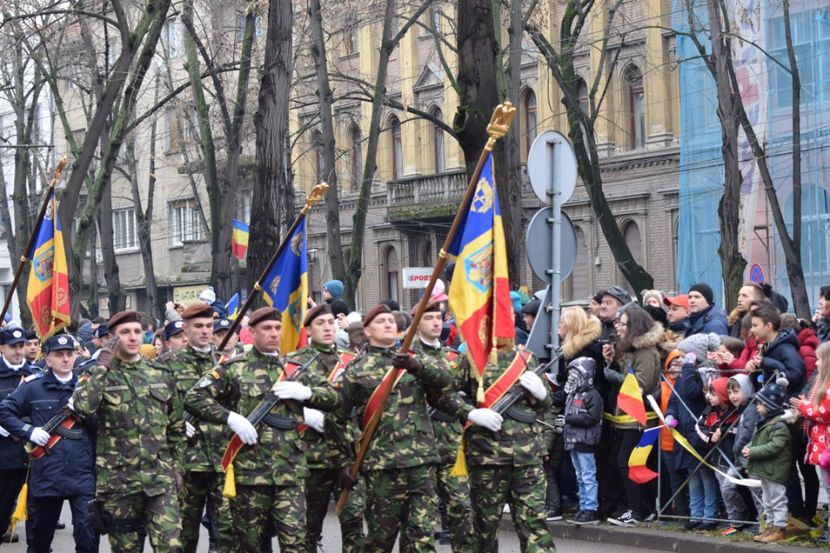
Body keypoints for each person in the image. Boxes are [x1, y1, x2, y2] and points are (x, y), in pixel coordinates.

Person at [185, 306, 340, 553]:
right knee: (248, 545)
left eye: (277, 328)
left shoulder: (295, 368)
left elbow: (334, 398)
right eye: (266, 328)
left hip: (289, 472)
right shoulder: (234, 368)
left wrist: (308, 393)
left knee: (296, 544)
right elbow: (195, 397)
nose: (273, 333)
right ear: (252, 332)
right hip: (249, 474)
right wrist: (231, 418)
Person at [330, 304, 469, 552]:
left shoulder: (416, 361)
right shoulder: (356, 370)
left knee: (421, 538)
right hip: (382, 466)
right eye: (380, 322)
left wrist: (418, 369)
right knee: (380, 540)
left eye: (391, 321)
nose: (388, 325)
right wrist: (344, 462)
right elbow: (339, 419)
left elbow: (447, 384)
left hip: (421, 462)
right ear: (367, 331)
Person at [72, 310, 183, 552]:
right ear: (112, 338)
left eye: (137, 331)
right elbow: (83, 407)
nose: (133, 337)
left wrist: (178, 467)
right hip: (118, 484)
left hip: (160, 481)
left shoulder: (160, 374)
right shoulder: (97, 374)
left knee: (172, 546)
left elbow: (176, 427)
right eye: (125, 332)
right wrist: (102, 366)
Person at [455, 335, 556, 552]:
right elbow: (447, 396)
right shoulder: (470, 359)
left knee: (535, 526)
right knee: (483, 528)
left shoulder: (526, 358)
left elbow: (545, 405)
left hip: (528, 457)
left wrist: (541, 393)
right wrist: (471, 412)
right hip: (487, 458)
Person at [0, 333, 98, 553]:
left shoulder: (87, 388)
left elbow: (102, 426)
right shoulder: (33, 387)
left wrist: (85, 411)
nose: (65, 359)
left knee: (88, 536)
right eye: (59, 354)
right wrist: (29, 431)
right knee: (40, 539)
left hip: (82, 473)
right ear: (47, 358)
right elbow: (5, 411)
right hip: (46, 474)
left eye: (69, 354)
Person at [289, 304, 366, 553]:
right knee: (309, 525)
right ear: (309, 329)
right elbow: (282, 405)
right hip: (313, 455)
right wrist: (304, 415)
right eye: (320, 323)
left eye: (330, 322)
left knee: (354, 520)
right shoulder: (295, 364)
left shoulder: (352, 361)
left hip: (349, 452)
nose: (327, 327)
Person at [164, 304, 229, 553]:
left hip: (222, 458)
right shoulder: (168, 364)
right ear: (186, 329)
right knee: (183, 532)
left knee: (226, 531)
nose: (205, 331)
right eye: (198, 326)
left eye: (209, 326)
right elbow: (157, 407)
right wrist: (177, 424)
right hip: (186, 460)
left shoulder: (225, 363)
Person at [412, 301, 474, 551]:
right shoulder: (408, 357)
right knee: (422, 513)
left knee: (461, 504)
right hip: (418, 442)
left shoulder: (454, 358)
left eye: (438, 317)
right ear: (417, 324)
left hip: (451, 440)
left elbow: (471, 393)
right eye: (428, 318)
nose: (436, 323)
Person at [603, 305, 661, 526]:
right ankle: (641, 509)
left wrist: (615, 377)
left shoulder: (645, 350)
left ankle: (637, 511)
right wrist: (612, 363)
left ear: (635, 326)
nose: (619, 327)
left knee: (627, 462)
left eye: (624, 323)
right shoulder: (631, 350)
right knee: (629, 462)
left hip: (639, 418)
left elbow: (642, 384)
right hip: (630, 416)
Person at [743, 380, 793, 543]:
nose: (757, 407)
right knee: (768, 500)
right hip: (766, 470)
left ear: (770, 405)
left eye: (761, 404)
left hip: (775, 470)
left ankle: (779, 528)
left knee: (777, 499)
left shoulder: (779, 426)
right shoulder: (767, 424)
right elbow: (759, 440)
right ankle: (770, 526)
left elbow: (774, 447)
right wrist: (749, 447)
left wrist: (753, 451)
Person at [790, 341, 830, 543]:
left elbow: (823, 412)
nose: (816, 364)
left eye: (820, 359)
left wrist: (804, 406)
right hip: (823, 445)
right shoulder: (821, 383)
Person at [0, 326, 37, 541]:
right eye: (13, 346)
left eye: (21, 346)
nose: (18, 351)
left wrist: (23, 426)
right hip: (3, 452)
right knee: (3, 502)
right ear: (2, 348)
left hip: (30, 451)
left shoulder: (35, 374)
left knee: (37, 505)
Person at [690, 377, 736, 530]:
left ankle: (739, 518)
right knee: (724, 488)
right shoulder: (709, 411)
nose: (708, 397)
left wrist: (723, 433)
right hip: (717, 458)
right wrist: (711, 437)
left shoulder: (734, 412)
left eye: (713, 394)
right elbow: (699, 427)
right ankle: (733, 519)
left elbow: (737, 430)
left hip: (731, 457)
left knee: (731, 489)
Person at [562, 357, 603, 525]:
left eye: (574, 373)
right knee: (579, 476)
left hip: (585, 442)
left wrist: (567, 420)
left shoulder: (593, 395)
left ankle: (591, 509)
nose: (571, 377)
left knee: (588, 475)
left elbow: (591, 417)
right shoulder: (573, 394)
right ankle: (583, 506)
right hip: (573, 440)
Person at [724, 374, 759, 531]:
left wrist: (735, 448)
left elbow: (747, 432)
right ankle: (741, 516)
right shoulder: (742, 410)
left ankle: (762, 523)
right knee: (727, 487)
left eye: (736, 391)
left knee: (757, 492)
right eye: (730, 393)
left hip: (748, 458)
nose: (732, 396)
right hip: (740, 460)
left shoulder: (751, 409)